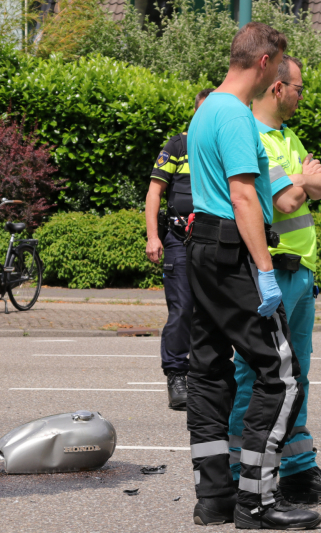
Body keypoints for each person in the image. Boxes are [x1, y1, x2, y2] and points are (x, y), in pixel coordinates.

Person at [186, 22, 321, 530]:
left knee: (208, 371)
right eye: (279, 66)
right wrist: (265, 271)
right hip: (232, 252)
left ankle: (214, 496)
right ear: (265, 62)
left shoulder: (204, 112)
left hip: (201, 250)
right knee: (281, 377)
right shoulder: (237, 116)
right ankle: (257, 502)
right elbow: (244, 196)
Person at [228, 54, 321, 503]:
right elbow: (287, 203)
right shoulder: (254, 138)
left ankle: (297, 468)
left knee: (299, 375)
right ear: (277, 88)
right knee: (258, 375)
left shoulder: (289, 137)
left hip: (301, 273)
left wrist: (302, 181)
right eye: (298, 88)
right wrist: (303, 180)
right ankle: (243, 468)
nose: (301, 96)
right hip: (272, 271)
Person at [144, 88, 214, 410]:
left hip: (213, 240)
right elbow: (154, 192)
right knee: (182, 309)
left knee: (211, 311)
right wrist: (153, 237)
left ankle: (205, 376)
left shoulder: (218, 148)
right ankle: (176, 374)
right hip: (178, 240)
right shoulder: (178, 145)